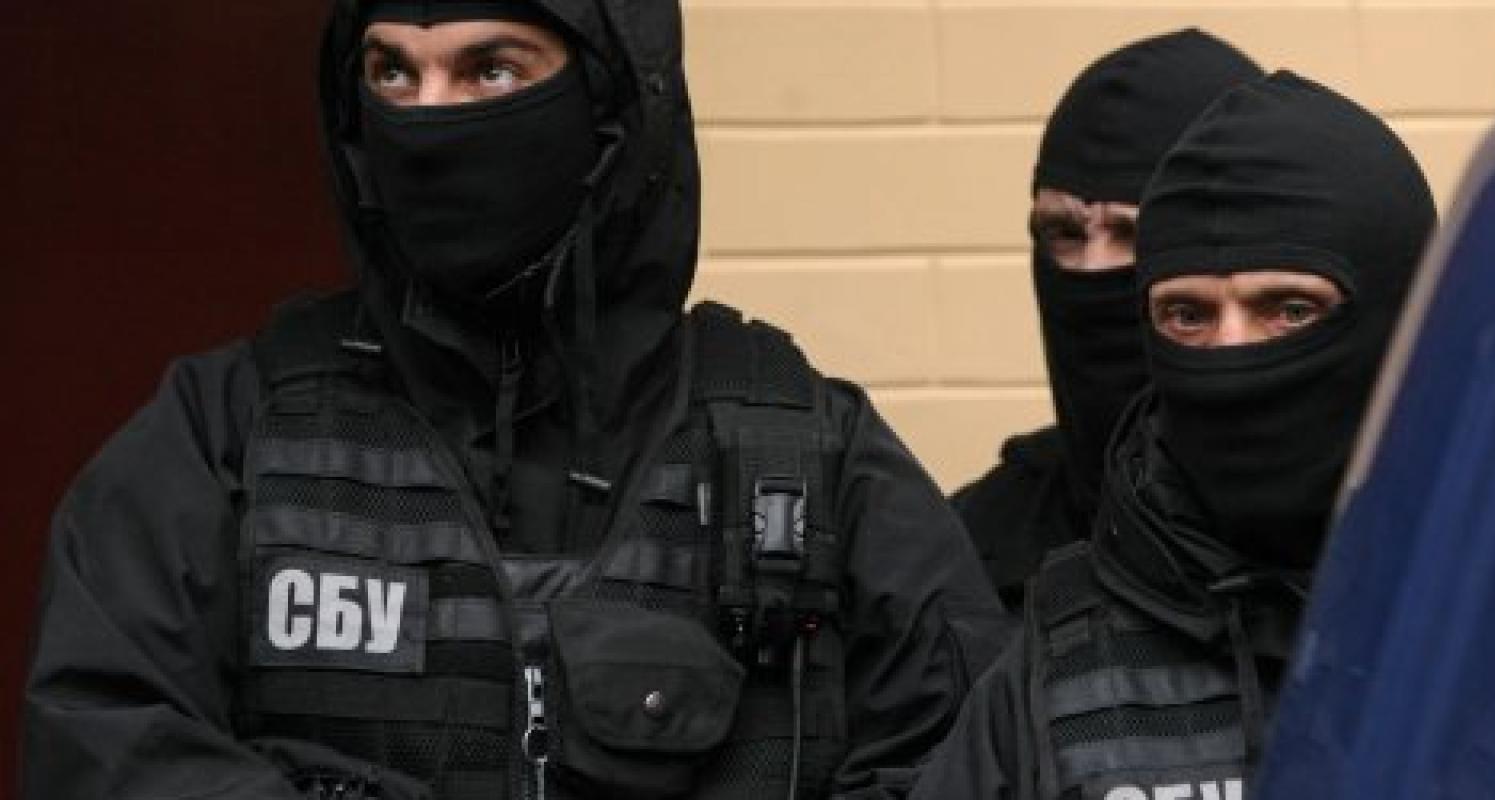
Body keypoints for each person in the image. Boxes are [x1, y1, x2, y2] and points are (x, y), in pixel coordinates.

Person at [20, 2, 1010, 799]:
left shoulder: (804, 456)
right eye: (391, 73)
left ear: (610, 108)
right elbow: (102, 740)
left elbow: (966, 755)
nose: (429, 117)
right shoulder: (229, 431)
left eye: (491, 70)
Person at [910, 70, 1437, 799]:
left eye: (1288, 310)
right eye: (1188, 316)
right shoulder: (1054, 671)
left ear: (1399, 319)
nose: (1230, 353)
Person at [951, 30, 1262, 614]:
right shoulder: (970, 547)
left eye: (1131, 233)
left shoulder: (1353, 542)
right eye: (1064, 234)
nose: (1091, 271)